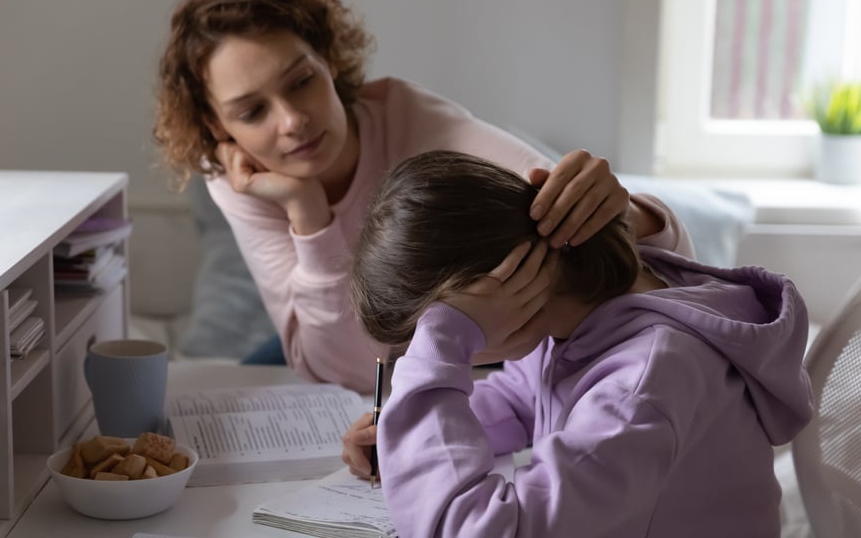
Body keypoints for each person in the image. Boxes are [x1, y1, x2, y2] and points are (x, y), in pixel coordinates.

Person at [153, 0, 692, 393]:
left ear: (329, 62)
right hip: (366, 346)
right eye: (252, 111)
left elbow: (640, 266)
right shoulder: (243, 178)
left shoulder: (422, 125)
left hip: (484, 341)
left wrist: (632, 215)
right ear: (219, 128)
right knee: (225, 398)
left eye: (301, 81)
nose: (291, 120)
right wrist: (305, 210)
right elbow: (341, 369)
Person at [342, 150, 814, 536]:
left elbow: (475, 530)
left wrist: (441, 349)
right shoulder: (585, 309)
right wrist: (404, 435)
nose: (434, 354)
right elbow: (519, 397)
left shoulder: (640, 388)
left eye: (427, 339)